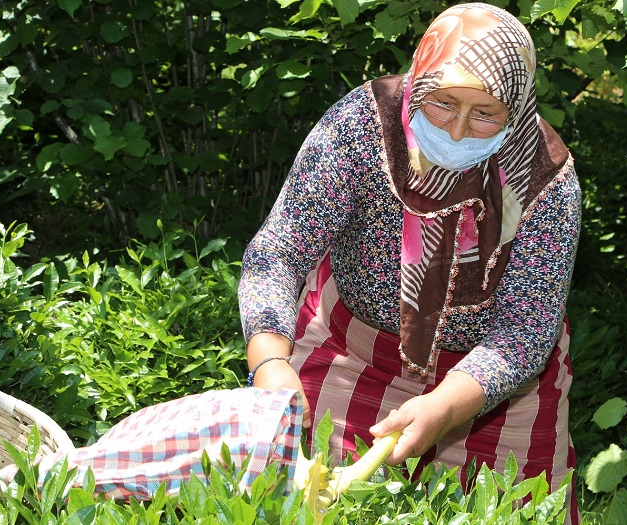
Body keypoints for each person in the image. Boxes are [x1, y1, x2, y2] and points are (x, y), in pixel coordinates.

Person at [238, 2, 581, 522]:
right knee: (305, 500)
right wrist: (269, 362)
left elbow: (525, 331)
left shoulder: (546, 175)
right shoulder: (361, 128)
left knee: (521, 512)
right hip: (353, 352)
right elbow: (279, 253)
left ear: (517, 108)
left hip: (496, 385)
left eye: (486, 113)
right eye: (443, 102)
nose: (460, 130)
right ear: (421, 78)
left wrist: (446, 406)